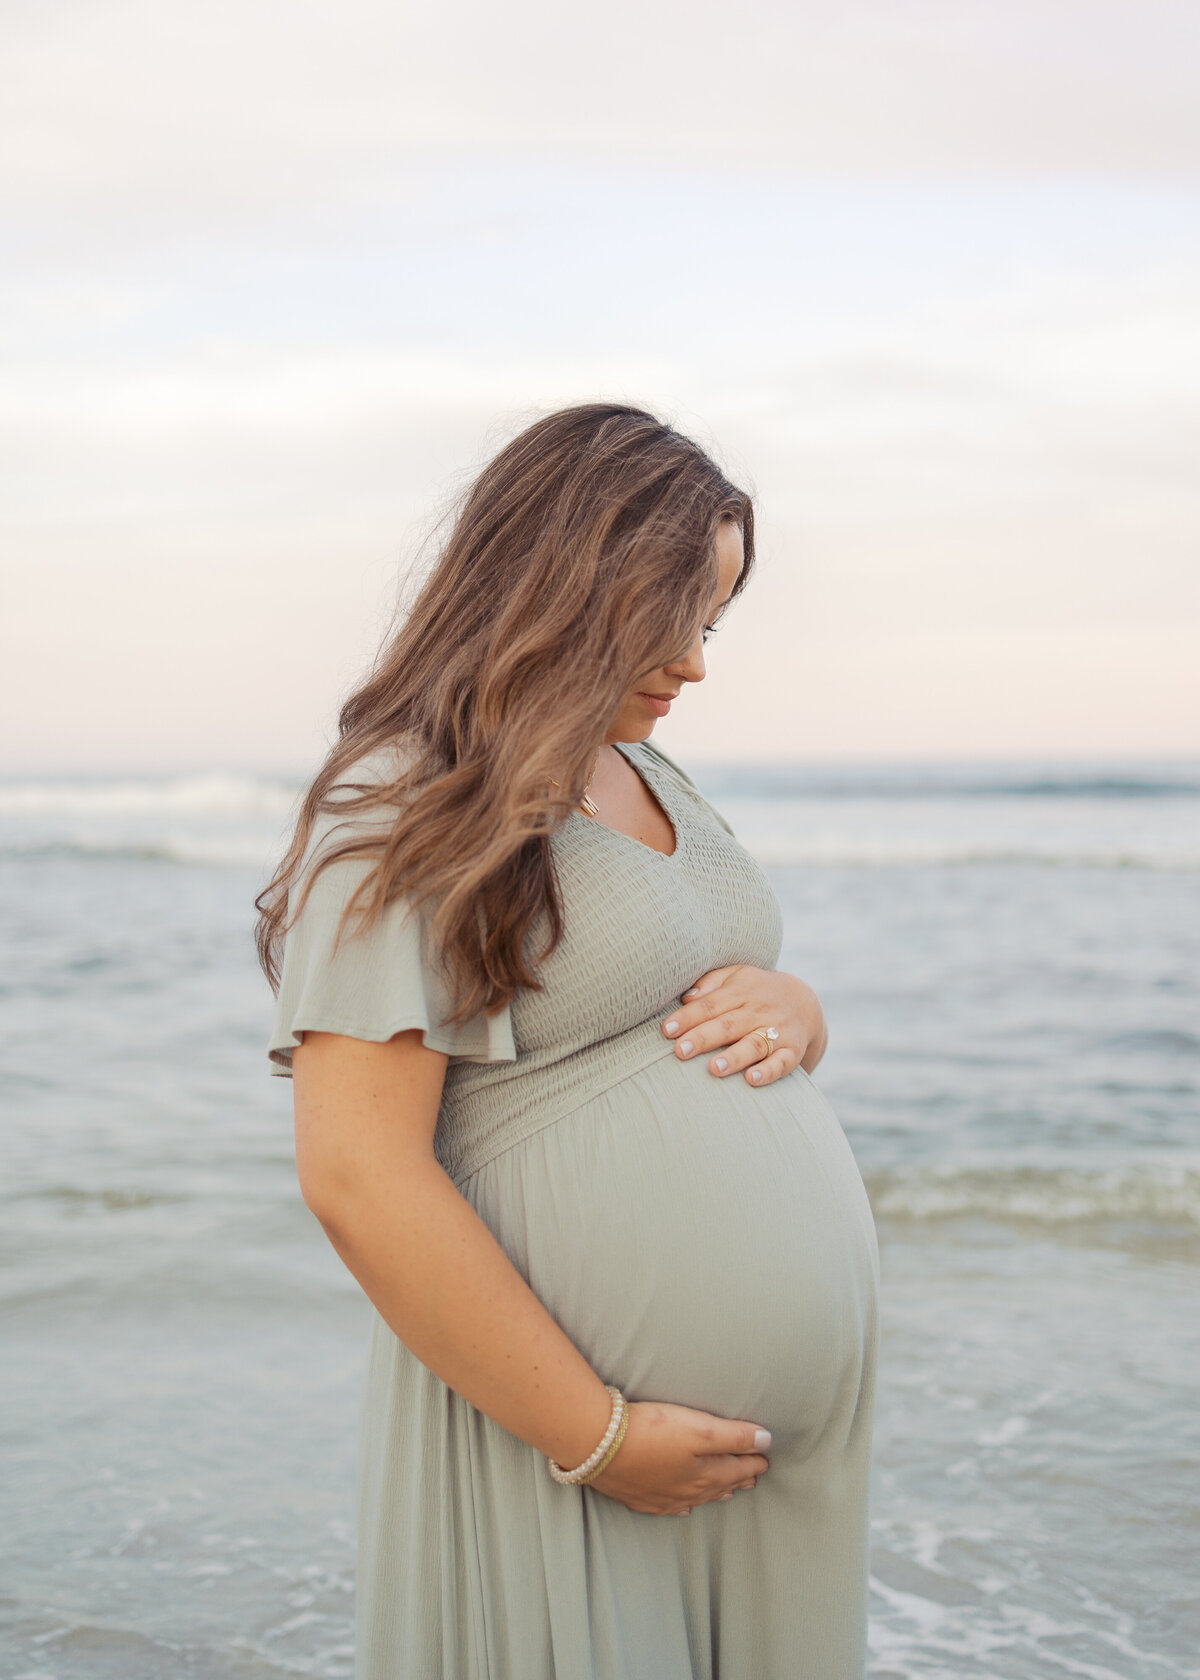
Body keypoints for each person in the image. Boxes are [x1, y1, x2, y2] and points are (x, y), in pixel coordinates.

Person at [256, 402, 879, 1679]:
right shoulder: (402, 795)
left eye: (713, 623)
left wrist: (800, 1012)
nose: (696, 663)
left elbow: (677, 995)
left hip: (763, 1473)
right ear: (562, 582)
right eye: (670, 616)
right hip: (569, 1447)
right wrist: (595, 1434)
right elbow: (359, 1174)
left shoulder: (644, 769)